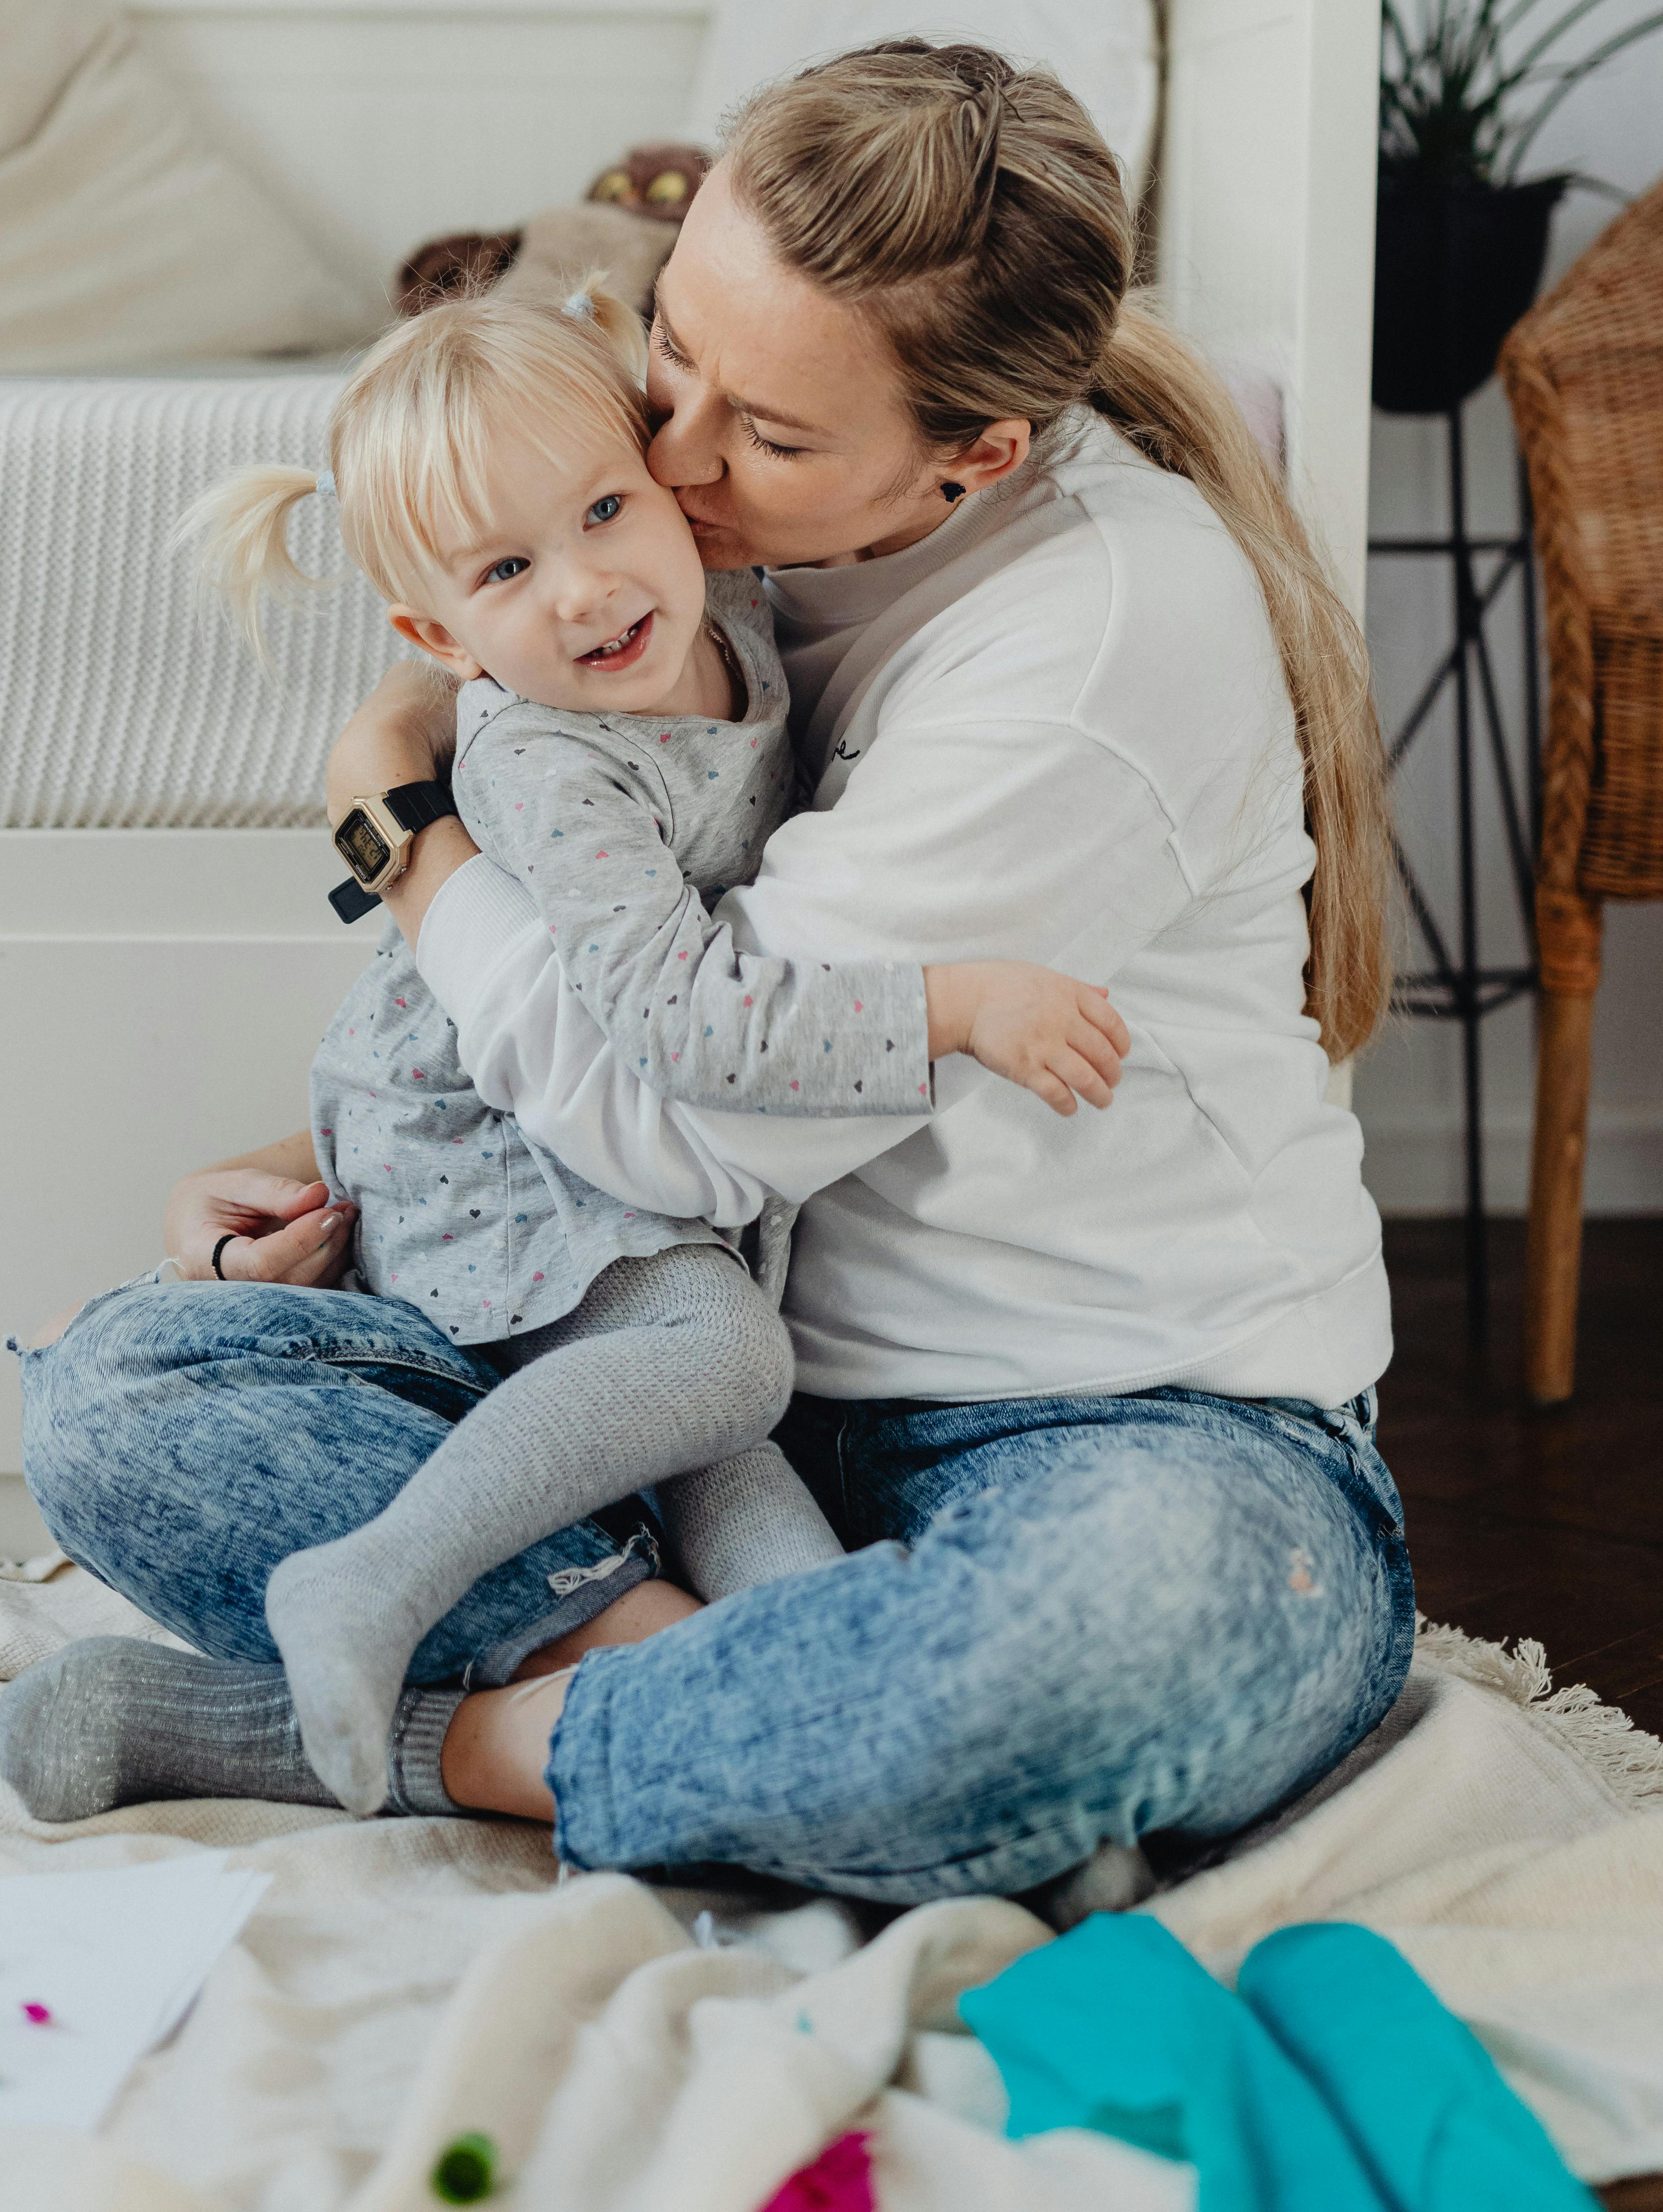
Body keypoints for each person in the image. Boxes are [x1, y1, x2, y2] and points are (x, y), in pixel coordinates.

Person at [2, 43, 1413, 1909]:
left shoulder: (1087, 649)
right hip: (706, 1397)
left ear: (976, 453)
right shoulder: (718, 562)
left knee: (1076, 1663)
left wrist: (402, 841)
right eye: (677, 349)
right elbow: (618, 968)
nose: (665, 461)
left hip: (1118, 1422)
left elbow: (685, 1113)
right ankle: (770, 1714)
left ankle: (427, 1743)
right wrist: (332, 1152)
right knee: (120, 1399)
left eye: (766, 431)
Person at [178, 276, 1125, 1815]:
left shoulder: (715, 599)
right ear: (441, 635)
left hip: (598, 1156)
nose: (585, 591)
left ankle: (881, 1761)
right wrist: (956, 1006)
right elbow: (683, 1020)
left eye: (606, 510)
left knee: (763, 1533)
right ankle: (372, 1581)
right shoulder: (555, 762)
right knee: (726, 1361)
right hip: (484, 1159)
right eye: (507, 570)